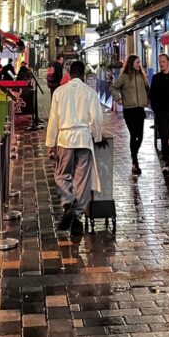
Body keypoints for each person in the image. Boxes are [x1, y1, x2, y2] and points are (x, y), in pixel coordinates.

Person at [45, 60, 104, 235]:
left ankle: (68, 203)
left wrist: (50, 143)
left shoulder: (59, 92)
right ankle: (77, 217)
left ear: (69, 74)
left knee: (61, 174)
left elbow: (53, 119)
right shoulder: (90, 92)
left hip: (65, 139)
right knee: (82, 179)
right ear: (83, 75)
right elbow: (96, 119)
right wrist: (97, 136)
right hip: (83, 139)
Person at [111, 55, 149, 176]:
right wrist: (118, 99)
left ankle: (134, 156)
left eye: (139, 62)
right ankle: (135, 162)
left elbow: (147, 89)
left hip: (140, 109)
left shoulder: (142, 75)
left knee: (140, 137)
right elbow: (113, 87)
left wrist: (147, 99)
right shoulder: (124, 77)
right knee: (134, 135)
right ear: (131, 63)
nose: (139, 64)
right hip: (129, 110)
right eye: (137, 62)